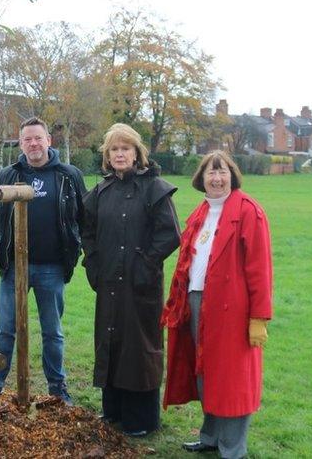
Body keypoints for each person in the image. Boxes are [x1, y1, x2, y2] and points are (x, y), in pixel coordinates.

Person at [161, 150, 273, 459]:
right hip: (198, 302)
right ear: (202, 179)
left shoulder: (249, 212)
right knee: (206, 372)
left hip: (233, 311)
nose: (217, 178)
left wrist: (259, 317)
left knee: (232, 379)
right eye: (211, 173)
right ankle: (210, 437)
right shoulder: (201, 213)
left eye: (222, 172)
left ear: (232, 176)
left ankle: (232, 448)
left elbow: (260, 268)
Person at [79, 122, 181, 437]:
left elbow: (170, 234)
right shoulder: (101, 191)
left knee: (138, 348)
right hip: (109, 282)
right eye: (114, 149)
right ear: (107, 156)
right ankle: (113, 412)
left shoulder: (154, 188)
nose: (120, 154)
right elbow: (88, 232)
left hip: (140, 287)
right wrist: (93, 265)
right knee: (111, 341)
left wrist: (145, 264)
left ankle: (140, 420)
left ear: (137, 153)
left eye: (126, 148)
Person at [0, 117, 86, 404]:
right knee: (4, 330)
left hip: (52, 268)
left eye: (38, 138)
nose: (33, 144)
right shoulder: (8, 175)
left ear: (49, 140)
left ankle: (57, 390)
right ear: (20, 144)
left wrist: (76, 250)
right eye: (27, 140)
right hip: (13, 268)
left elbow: (83, 219)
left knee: (52, 333)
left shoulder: (69, 175)